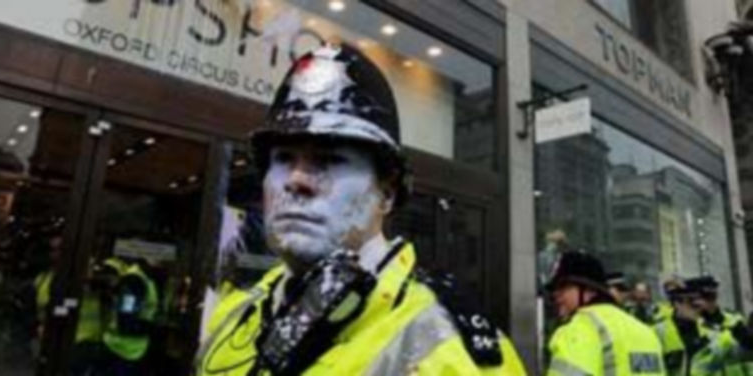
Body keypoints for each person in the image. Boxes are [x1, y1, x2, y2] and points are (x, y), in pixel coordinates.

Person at [195, 43, 526, 375]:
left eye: (330, 160)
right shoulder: (234, 316)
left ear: (387, 193)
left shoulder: (447, 350)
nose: (297, 180)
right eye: (283, 158)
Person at [546, 251, 665, 375]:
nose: (556, 294)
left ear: (589, 290)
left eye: (564, 287)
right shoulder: (645, 332)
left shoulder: (579, 330)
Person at [653, 278, 751, 375]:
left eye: (699, 301)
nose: (698, 306)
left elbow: (747, 350)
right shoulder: (658, 332)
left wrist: (718, 317)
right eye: (691, 302)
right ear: (677, 303)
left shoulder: (712, 332)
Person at [99, 257, 158, 375]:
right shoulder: (145, 279)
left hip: (120, 345)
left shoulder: (132, 281)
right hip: (134, 345)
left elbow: (126, 314)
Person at [689, 276, 753, 375]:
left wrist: (718, 317)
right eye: (706, 297)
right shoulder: (688, 326)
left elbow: (749, 344)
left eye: (713, 297)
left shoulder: (733, 319)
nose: (710, 303)